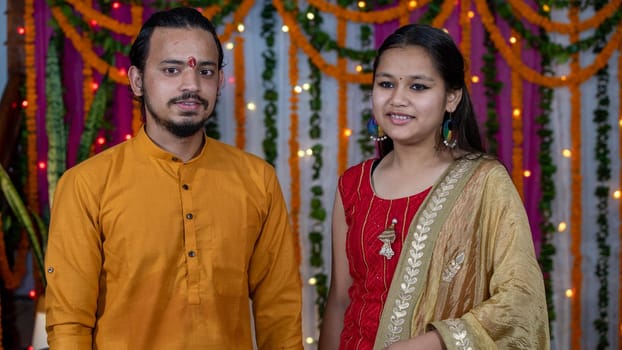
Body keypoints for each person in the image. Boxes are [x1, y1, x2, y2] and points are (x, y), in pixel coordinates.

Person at [44, 7, 303, 349]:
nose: (191, 85)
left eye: (205, 71)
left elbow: (280, 314)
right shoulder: (87, 185)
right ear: (137, 81)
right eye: (171, 69)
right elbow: (69, 325)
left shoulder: (257, 180)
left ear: (219, 82)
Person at [318, 24, 550, 350]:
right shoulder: (353, 185)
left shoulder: (483, 182)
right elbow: (340, 300)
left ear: (451, 97)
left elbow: (521, 297)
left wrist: (436, 341)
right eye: (386, 84)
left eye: (418, 87)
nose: (398, 99)